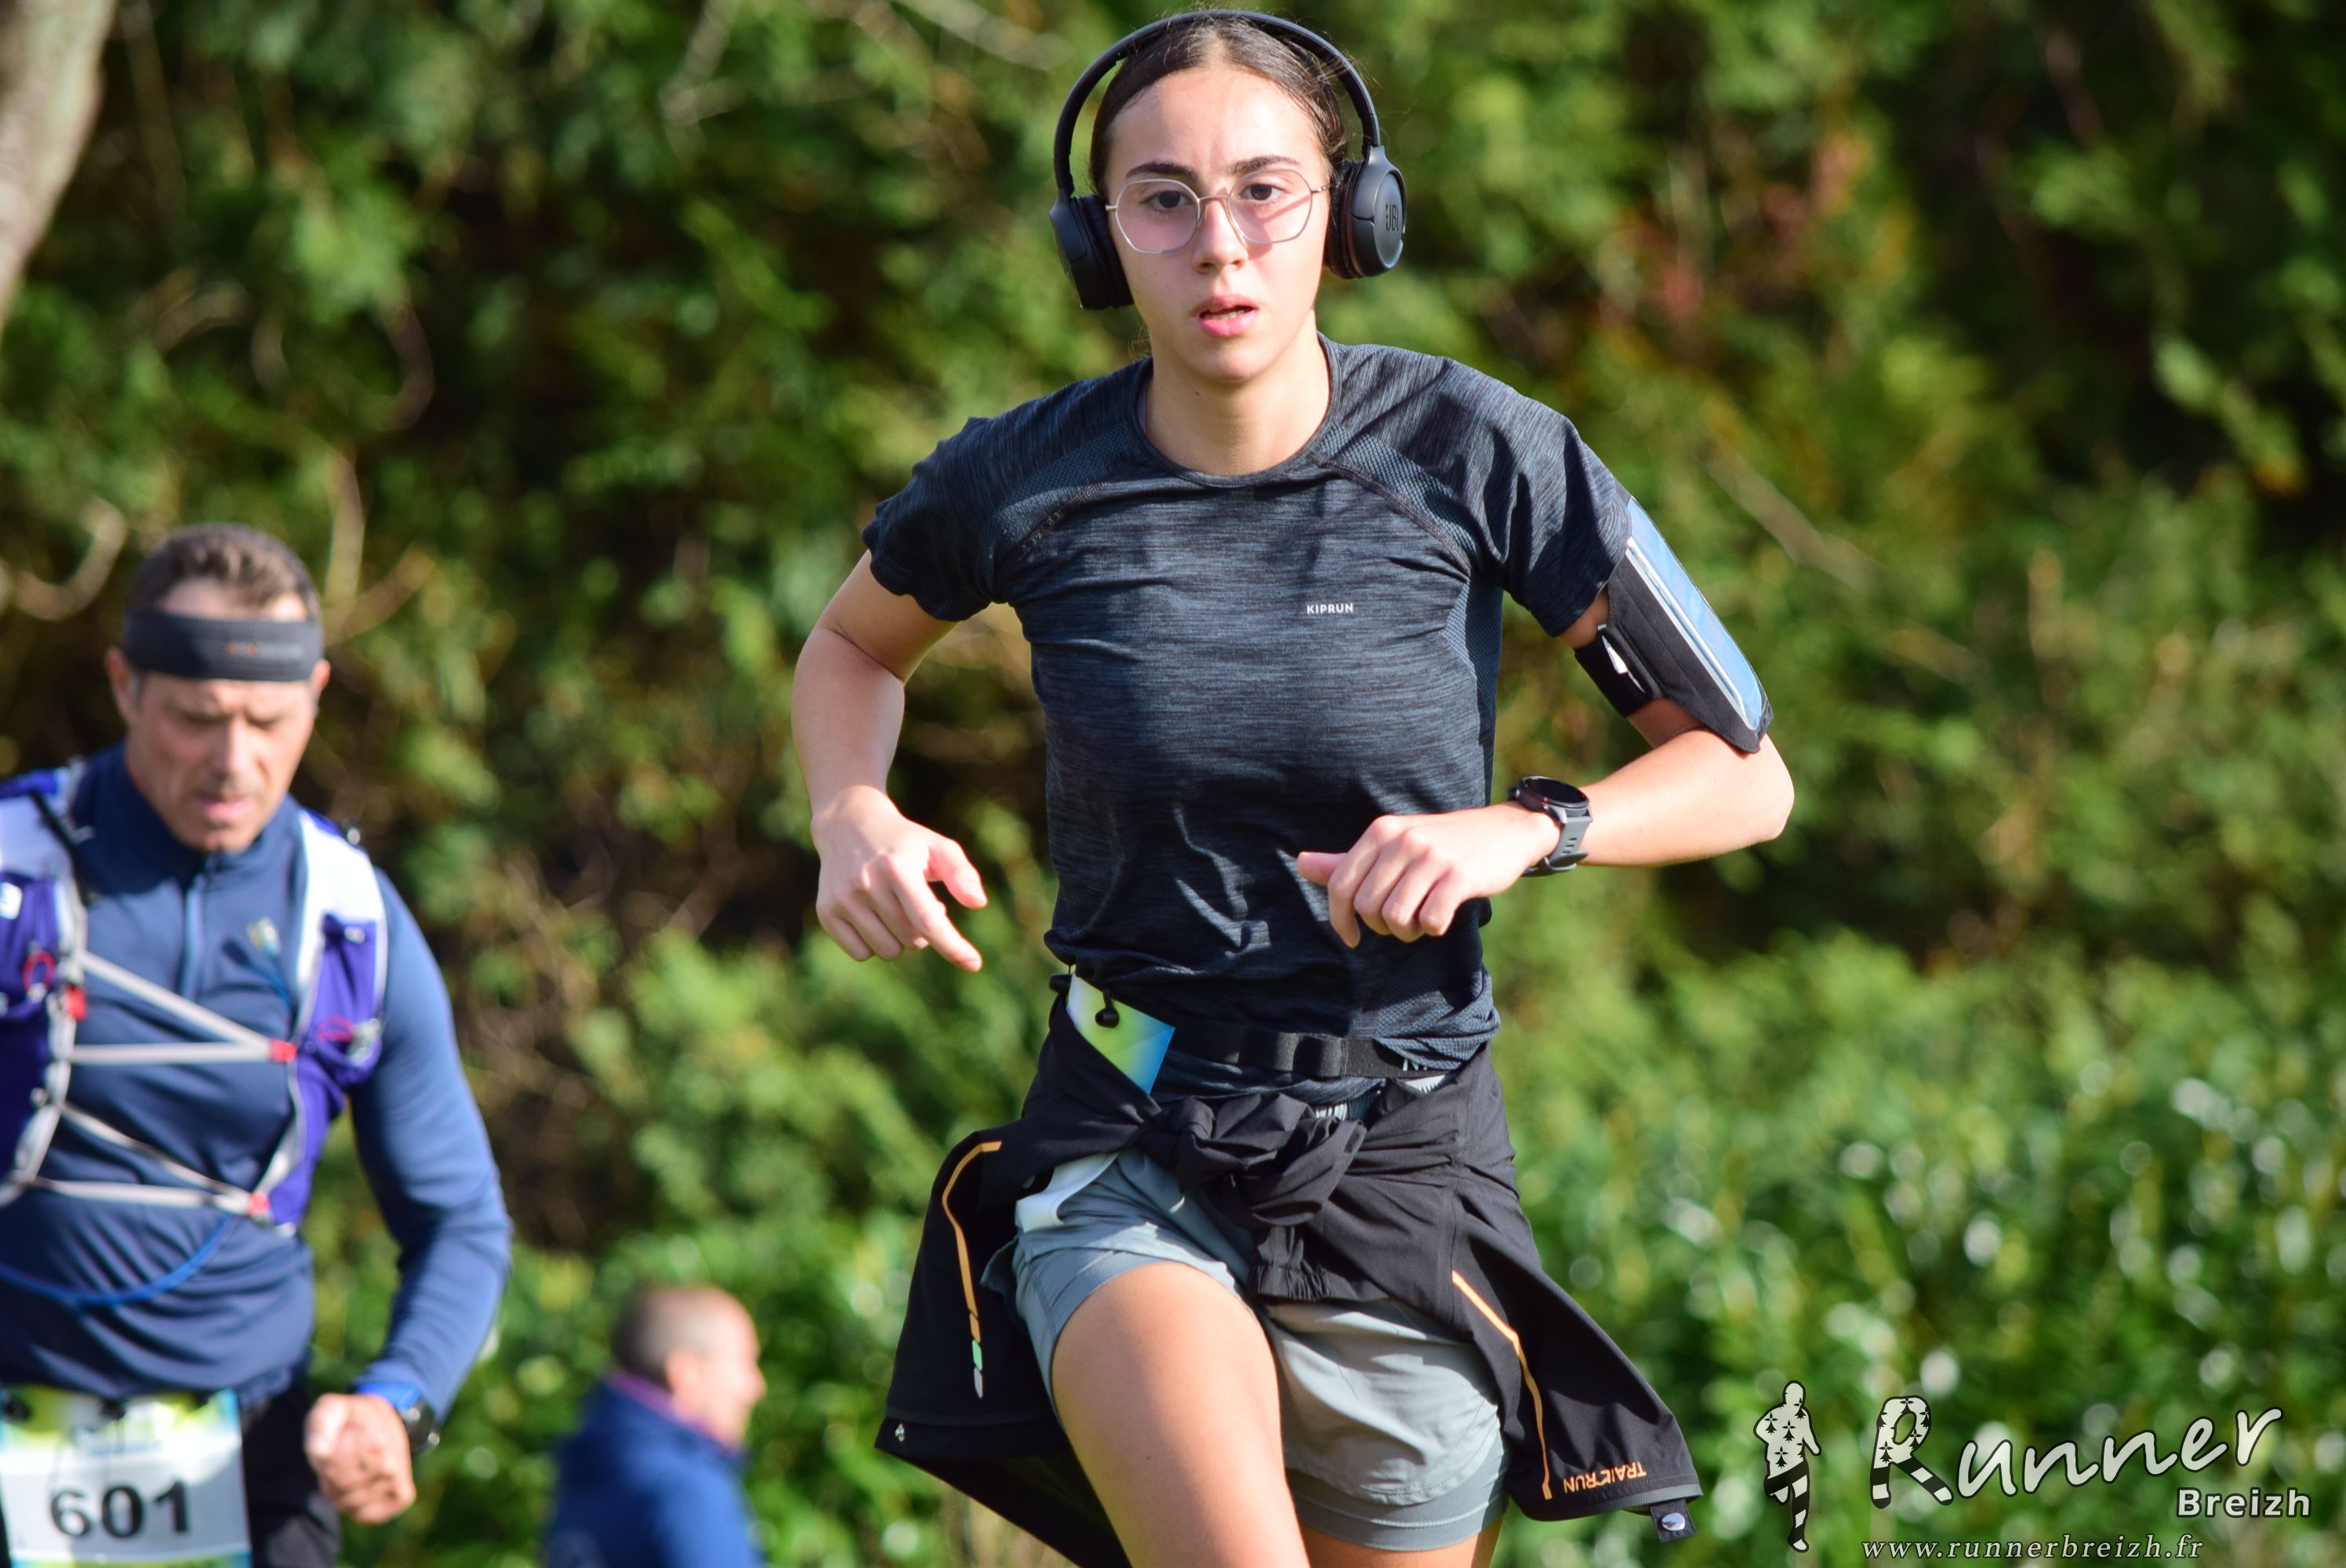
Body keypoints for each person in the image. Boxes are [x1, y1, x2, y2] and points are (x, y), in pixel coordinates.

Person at [794, 11, 1793, 1566]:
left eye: (1265, 191)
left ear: (1349, 215)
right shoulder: (1021, 479)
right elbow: (852, 648)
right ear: (1098, 238)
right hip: (1130, 1135)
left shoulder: (1481, 450)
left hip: (1404, 1153)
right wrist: (850, 812)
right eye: (1163, 199)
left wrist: (1526, 828)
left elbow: (1744, 776)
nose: (1220, 244)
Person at [0, 524, 512, 1566]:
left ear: (315, 694)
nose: (236, 761)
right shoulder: (15, 869)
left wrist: (397, 1402)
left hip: (251, 1447)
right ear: (126, 686)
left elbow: (460, 1219)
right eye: (198, 718)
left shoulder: (351, 917)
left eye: (270, 721)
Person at [543, 1286, 768, 1568]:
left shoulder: (588, 1466)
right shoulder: (687, 1491)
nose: (756, 1387)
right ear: (686, 1373)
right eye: (745, 1363)